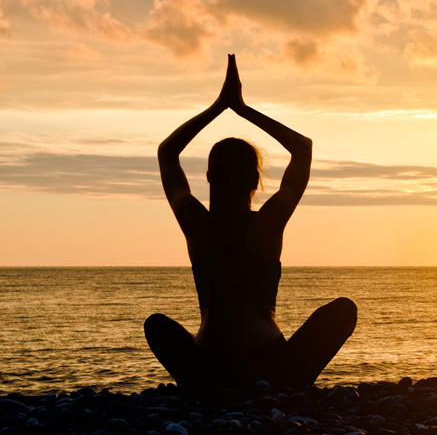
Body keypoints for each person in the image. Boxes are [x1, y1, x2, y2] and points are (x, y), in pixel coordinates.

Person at [144, 54, 357, 388]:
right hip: (271, 365)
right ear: (255, 180)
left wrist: (218, 107)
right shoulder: (267, 224)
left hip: (210, 366)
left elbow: (167, 152)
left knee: (156, 325)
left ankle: (203, 389)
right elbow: (302, 148)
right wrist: (241, 108)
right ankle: (287, 388)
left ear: (210, 177)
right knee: (343, 310)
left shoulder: (196, 222)